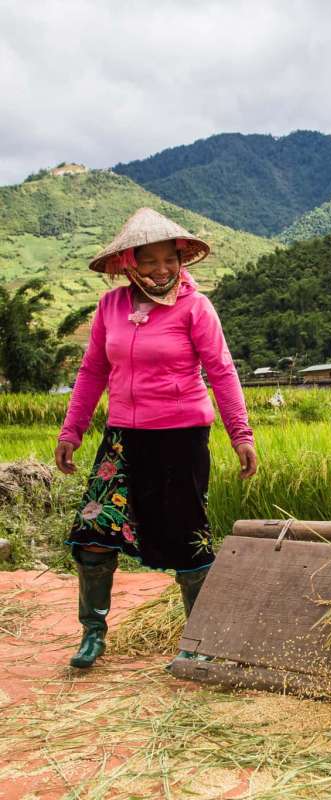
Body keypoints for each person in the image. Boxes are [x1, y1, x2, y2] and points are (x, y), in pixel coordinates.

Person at [55, 207, 257, 669]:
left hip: (180, 436)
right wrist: (73, 429)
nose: (161, 270)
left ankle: (199, 640)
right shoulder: (111, 307)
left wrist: (239, 434)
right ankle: (93, 633)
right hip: (123, 438)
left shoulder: (196, 307)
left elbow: (222, 372)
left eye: (170, 260)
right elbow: (92, 371)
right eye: (150, 261)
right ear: (130, 262)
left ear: (182, 259)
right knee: (93, 533)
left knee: (188, 537)